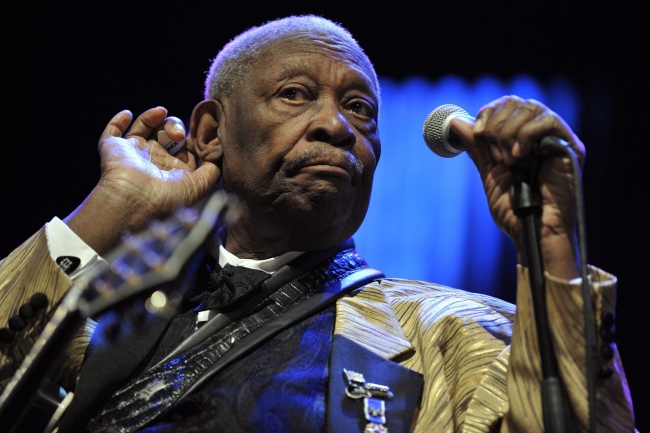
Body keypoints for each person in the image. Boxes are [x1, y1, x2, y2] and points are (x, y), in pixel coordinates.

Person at [0, 14, 636, 433]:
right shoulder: (103, 317)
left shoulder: (461, 335)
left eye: (359, 108)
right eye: (295, 94)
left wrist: (554, 243)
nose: (336, 125)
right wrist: (115, 207)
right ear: (212, 133)